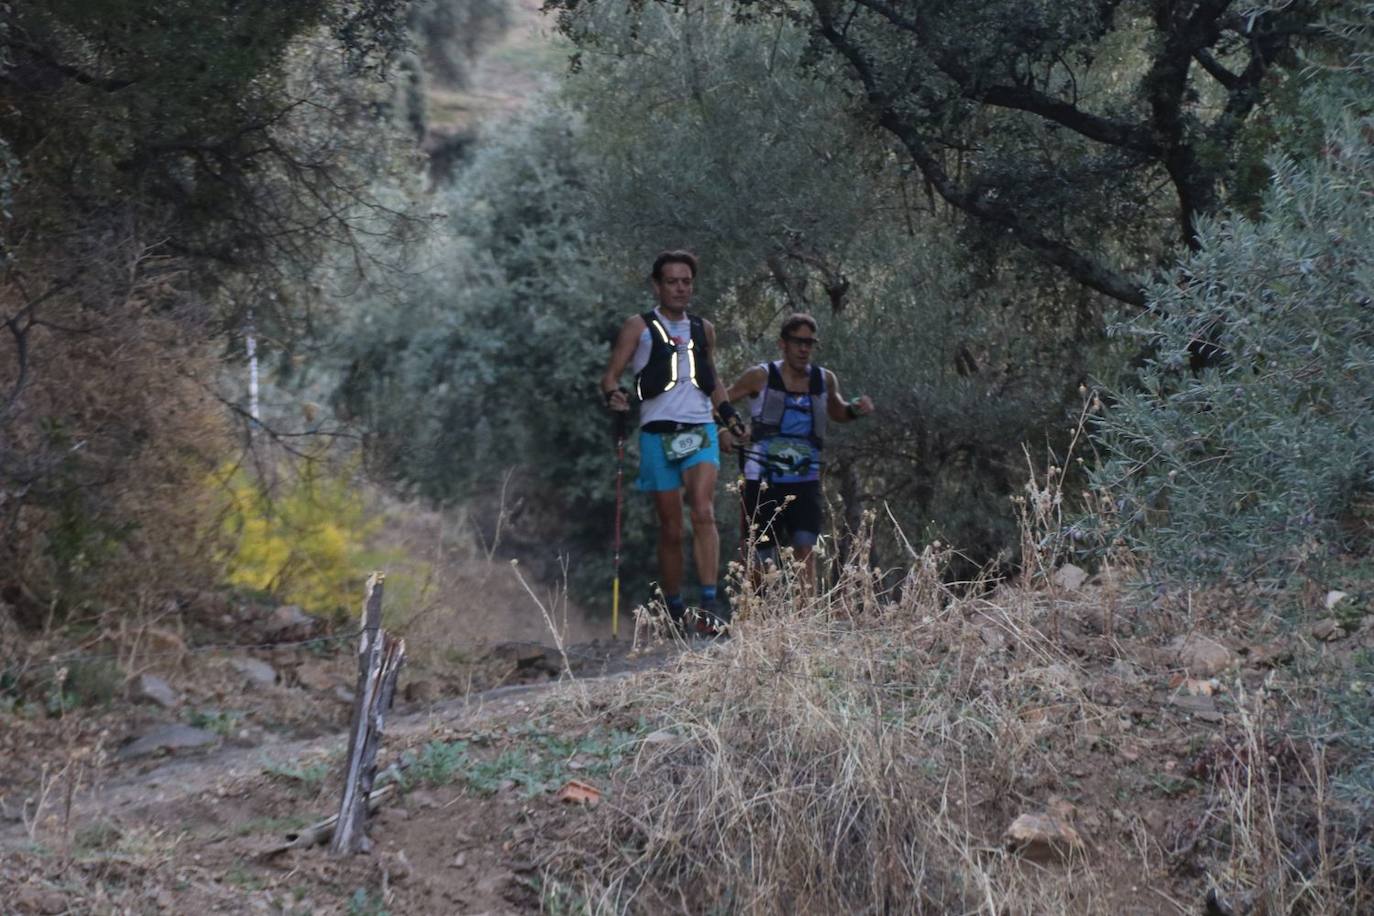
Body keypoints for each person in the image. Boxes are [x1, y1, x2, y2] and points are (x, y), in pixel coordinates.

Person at [601, 250, 746, 634]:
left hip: (700, 430)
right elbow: (610, 376)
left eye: (686, 281)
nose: (680, 288)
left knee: (702, 510)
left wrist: (729, 417)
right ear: (657, 285)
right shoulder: (639, 327)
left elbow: (712, 378)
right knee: (670, 528)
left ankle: (711, 606)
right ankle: (675, 608)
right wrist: (614, 395)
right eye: (672, 281)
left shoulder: (704, 329)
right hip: (656, 434)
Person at [723, 313, 874, 589]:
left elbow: (837, 410)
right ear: (783, 344)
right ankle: (757, 621)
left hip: (805, 479)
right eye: (798, 342)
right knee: (760, 556)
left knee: (806, 549)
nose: (804, 349)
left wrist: (855, 409)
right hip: (762, 479)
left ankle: (806, 622)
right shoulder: (760, 376)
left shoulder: (824, 380)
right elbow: (719, 401)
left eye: (810, 343)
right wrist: (724, 432)